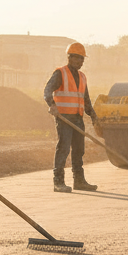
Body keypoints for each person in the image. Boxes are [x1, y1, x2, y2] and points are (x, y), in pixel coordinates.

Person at [44, 43, 98, 193]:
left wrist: (93, 116)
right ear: (70, 58)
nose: (80, 62)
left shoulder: (82, 77)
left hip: (78, 118)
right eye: (78, 59)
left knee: (79, 150)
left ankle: (79, 181)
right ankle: (58, 181)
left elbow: (86, 99)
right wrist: (52, 105)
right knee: (64, 148)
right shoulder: (60, 73)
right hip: (64, 118)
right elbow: (47, 90)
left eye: (82, 59)